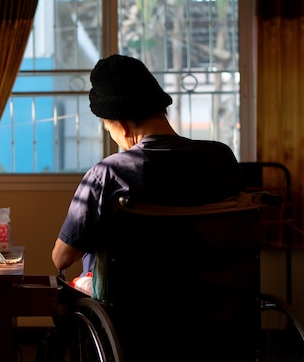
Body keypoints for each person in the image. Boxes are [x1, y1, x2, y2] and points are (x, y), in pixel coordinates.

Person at [51, 54, 243, 297]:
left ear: (122, 126)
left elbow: (62, 258)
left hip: (132, 314)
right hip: (214, 305)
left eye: (108, 129)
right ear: (161, 110)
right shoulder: (221, 158)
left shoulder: (109, 174)